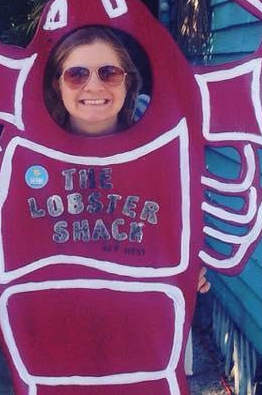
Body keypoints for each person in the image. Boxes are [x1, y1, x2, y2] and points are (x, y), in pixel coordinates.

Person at [44, 24, 211, 293]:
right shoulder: (33, 154)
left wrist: (189, 267)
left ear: (128, 81)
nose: (94, 86)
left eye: (109, 73)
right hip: (63, 312)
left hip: (143, 312)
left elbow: (175, 228)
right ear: (57, 83)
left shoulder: (161, 145)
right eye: (77, 74)